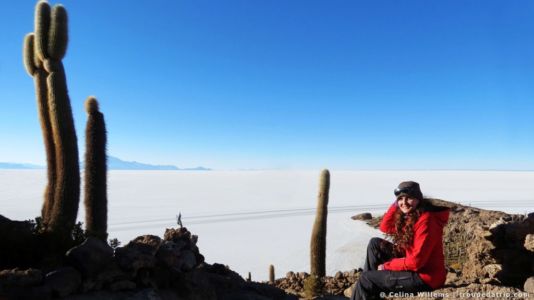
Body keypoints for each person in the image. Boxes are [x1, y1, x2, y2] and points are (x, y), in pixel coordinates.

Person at [351, 181, 450, 300]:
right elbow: (385, 227)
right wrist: (395, 205)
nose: (404, 202)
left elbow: (416, 262)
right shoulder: (412, 216)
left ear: (418, 199)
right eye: (400, 199)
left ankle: (369, 284)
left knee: (366, 279)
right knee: (375, 244)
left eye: (409, 198)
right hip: (416, 265)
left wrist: (387, 266)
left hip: (425, 278)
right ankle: (371, 290)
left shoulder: (426, 221)